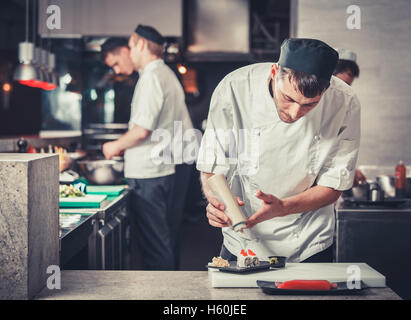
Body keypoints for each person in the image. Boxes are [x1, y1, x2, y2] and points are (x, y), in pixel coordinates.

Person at [197, 38, 361, 263]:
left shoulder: (345, 102)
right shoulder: (235, 87)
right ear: (275, 72)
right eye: (288, 98)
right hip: (243, 237)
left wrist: (283, 207)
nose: (294, 113)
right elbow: (212, 165)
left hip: (309, 238)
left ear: (326, 90)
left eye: (309, 105)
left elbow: (334, 184)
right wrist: (216, 202)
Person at [102, 25, 194, 270]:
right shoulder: (165, 74)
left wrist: (114, 146)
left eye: (131, 47)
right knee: (165, 240)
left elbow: (142, 130)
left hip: (149, 174)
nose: (130, 53)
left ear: (140, 44)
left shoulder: (151, 76)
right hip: (163, 169)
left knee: (154, 246)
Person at [333, 48, 366, 186]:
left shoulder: (346, 104)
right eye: (341, 84)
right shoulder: (311, 102)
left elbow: (339, 145)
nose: (345, 90)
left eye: (348, 85)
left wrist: (348, 169)